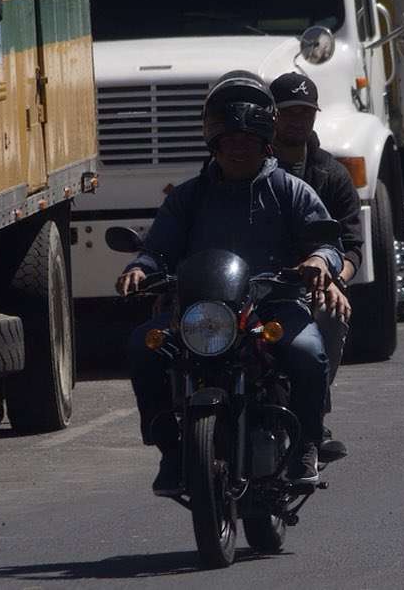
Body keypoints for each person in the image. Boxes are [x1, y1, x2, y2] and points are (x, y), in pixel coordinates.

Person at [118, 72, 349, 496]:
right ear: (214, 144)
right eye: (229, 141)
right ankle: (170, 451)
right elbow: (159, 247)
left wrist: (318, 259)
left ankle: (305, 447)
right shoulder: (187, 197)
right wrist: (141, 267)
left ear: (264, 142)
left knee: (308, 350)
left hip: (273, 307)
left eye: (247, 141)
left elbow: (328, 242)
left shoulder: (290, 191)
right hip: (201, 313)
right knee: (143, 345)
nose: (237, 150)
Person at [269, 71, 364, 464]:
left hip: (313, 283)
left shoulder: (332, 174)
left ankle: (311, 420)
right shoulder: (245, 168)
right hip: (255, 281)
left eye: (305, 113)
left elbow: (352, 248)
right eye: (288, 112)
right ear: (269, 115)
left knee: (332, 313)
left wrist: (335, 282)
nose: (297, 121)